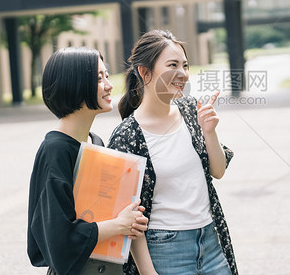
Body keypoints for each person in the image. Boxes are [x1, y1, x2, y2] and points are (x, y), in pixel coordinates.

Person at [107, 30, 238, 275]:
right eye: (172, 65)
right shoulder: (127, 136)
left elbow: (217, 171)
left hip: (211, 241)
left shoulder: (191, 110)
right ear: (145, 72)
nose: (183, 74)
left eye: (185, 65)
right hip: (165, 251)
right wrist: (148, 272)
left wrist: (210, 132)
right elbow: (128, 217)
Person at [27, 47, 149, 275]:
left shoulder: (95, 142)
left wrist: (130, 220)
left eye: (106, 75)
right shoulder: (56, 151)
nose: (109, 84)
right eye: (98, 78)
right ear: (74, 83)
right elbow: (58, 240)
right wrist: (118, 224)